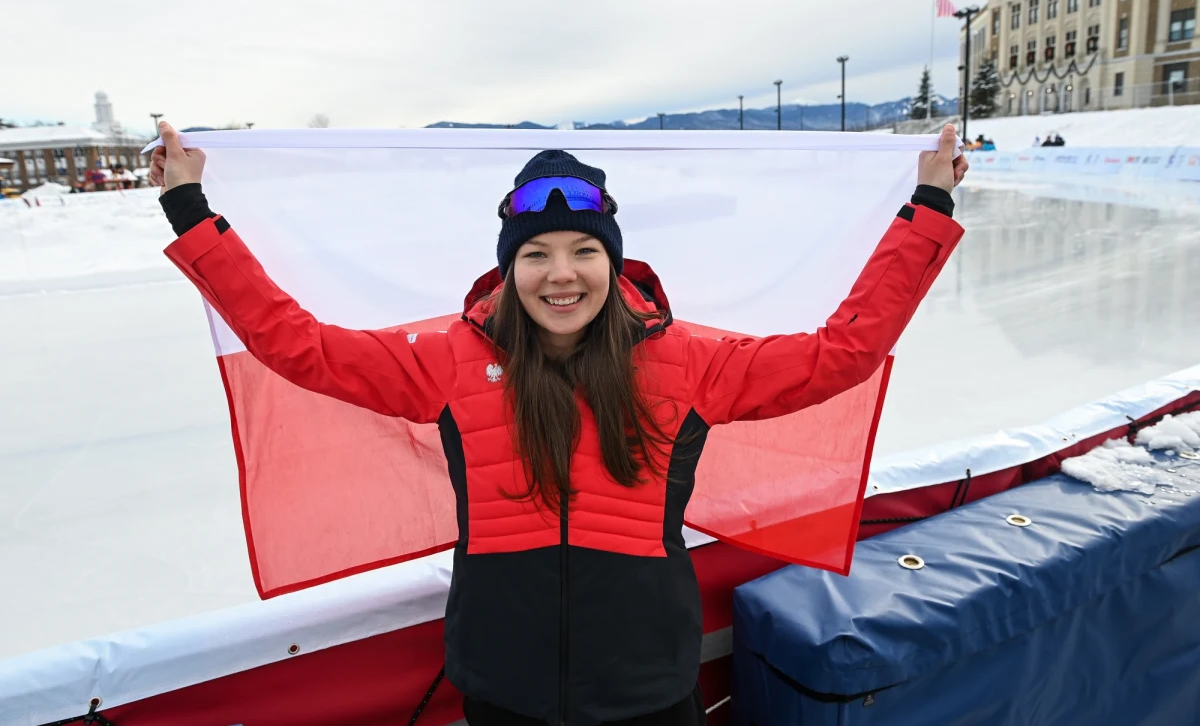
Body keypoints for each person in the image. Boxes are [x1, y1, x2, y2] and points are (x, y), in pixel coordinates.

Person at [148, 121, 967, 726]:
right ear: (509, 266)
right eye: (536, 253)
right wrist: (190, 207)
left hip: (648, 686)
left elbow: (843, 354)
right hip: (506, 687)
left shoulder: (688, 363)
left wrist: (927, 203)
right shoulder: (447, 360)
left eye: (584, 249)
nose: (561, 273)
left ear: (613, 260)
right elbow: (299, 348)